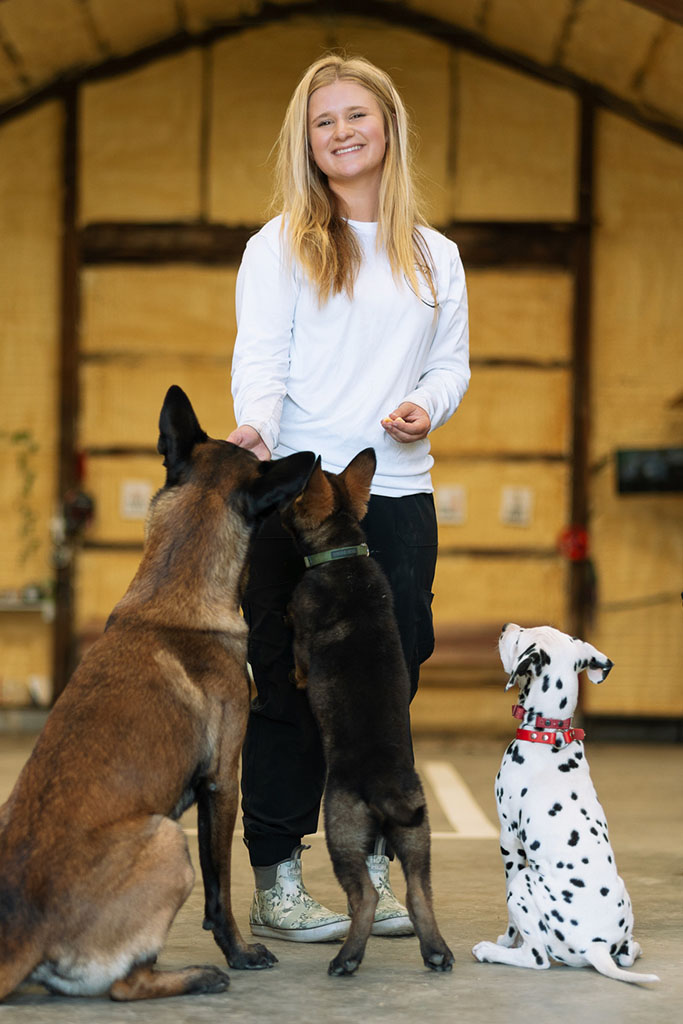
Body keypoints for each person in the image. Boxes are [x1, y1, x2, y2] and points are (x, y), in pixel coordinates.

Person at [228, 54, 470, 943]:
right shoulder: (279, 243)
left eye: (354, 115)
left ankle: (369, 857)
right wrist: (256, 425)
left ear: (387, 125)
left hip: (393, 494)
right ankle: (279, 878)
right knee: (287, 682)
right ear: (308, 140)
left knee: (383, 681)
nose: (340, 132)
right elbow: (262, 356)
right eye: (322, 121)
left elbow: (450, 362)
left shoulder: (432, 254)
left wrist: (427, 405)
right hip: (297, 495)